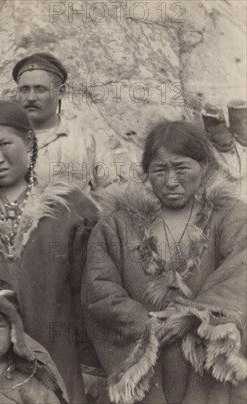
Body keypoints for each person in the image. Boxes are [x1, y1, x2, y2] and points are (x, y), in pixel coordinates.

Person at [82, 120, 247, 403]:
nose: (171, 181)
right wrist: (142, 322)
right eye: (159, 170)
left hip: (204, 367)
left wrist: (197, 317)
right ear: (145, 172)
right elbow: (99, 288)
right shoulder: (117, 226)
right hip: (148, 365)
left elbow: (241, 272)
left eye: (182, 168)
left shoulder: (229, 216)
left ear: (205, 167)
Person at [0, 100, 97, 403]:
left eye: (5, 143)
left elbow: (87, 294)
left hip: (59, 361)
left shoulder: (70, 209)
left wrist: (89, 365)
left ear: (29, 141)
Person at [12, 52, 122, 192]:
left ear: (61, 92)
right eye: (24, 89)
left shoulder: (85, 140)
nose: (31, 97)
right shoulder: (4, 138)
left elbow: (111, 194)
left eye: (40, 89)